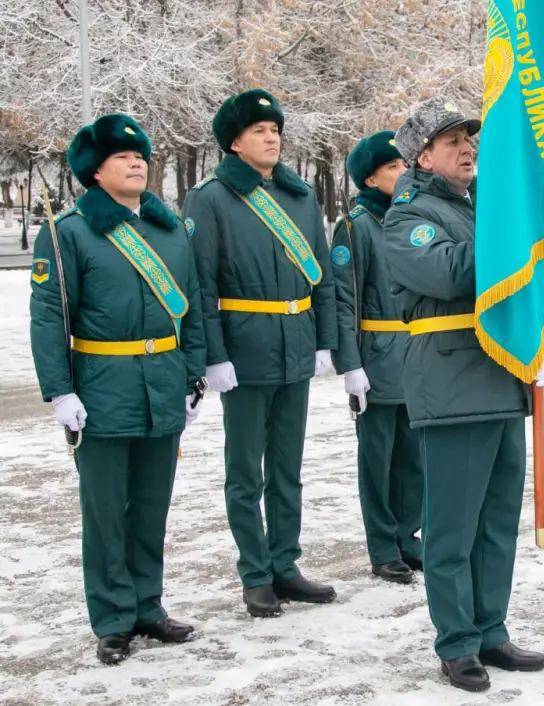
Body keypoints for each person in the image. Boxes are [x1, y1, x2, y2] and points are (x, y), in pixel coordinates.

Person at [382, 97, 544, 693]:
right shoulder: (406, 215)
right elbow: (449, 272)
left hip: (504, 377)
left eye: (469, 139)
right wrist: (517, 232)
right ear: (422, 156)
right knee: (452, 529)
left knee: (496, 524)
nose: (467, 149)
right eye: (452, 141)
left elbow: (535, 280)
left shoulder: (487, 206)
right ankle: (457, 642)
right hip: (453, 383)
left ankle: (491, 629)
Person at [29, 114, 207, 664]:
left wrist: (192, 376)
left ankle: (148, 606)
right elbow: (49, 316)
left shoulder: (170, 229)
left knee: (151, 506)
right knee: (106, 510)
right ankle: (112, 619)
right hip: (101, 387)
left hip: (163, 383)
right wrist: (60, 391)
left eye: (139, 157)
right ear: (95, 170)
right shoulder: (69, 231)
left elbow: (192, 308)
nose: (135, 164)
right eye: (121, 158)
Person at [183, 88, 340, 616]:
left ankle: (285, 565)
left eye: (275, 130)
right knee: (245, 471)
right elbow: (200, 286)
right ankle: (255, 574)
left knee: (288, 467)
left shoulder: (300, 196)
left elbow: (323, 276)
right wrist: (214, 356)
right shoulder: (210, 198)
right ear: (234, 142)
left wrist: (324, 341)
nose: (271, 138)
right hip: (244, 350)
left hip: (296, 344)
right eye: (259, 131)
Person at [330, 130, 423, 584]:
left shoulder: (413, 218)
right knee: (378, 460)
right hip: (378, 357)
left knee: (414, 457)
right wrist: (350, 365)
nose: (403, 173)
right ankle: (383, 548)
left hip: (417, 355)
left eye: (405, 165)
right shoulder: (356, 226)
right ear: (370, 179)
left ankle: (408, 536)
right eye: (392, 167)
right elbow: (343, 299)